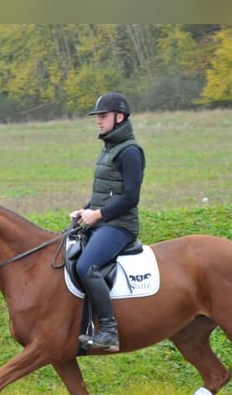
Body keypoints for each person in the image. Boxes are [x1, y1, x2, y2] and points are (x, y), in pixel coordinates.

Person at [69, 92, 145, 353]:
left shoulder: (130, 152)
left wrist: (98, 215)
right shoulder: (109, 148)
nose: (98, 121)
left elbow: (130, 198)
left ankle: (109, 332)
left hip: (120, 226)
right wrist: (86, 209)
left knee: (87, 265)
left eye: (103, 116)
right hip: (103, 221)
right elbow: (104, 193)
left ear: (119, 117)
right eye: (97, 117)